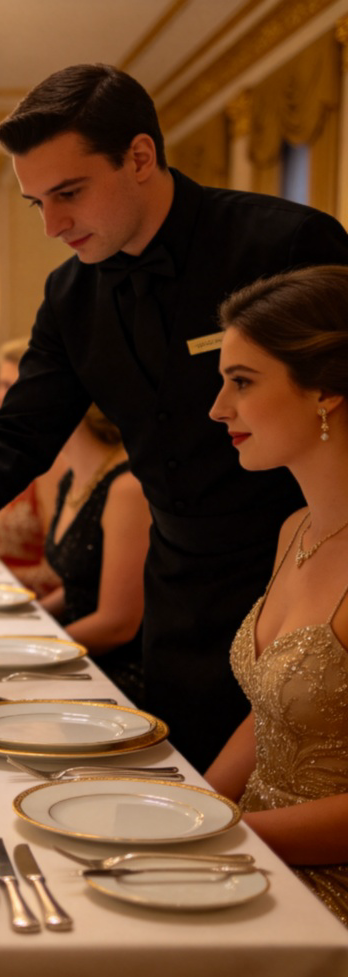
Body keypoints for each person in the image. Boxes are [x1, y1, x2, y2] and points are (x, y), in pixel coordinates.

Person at [0, 63, 348, 771]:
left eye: (69, 193)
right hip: (174, 599)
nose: (53, 225)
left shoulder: (281, 244)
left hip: (304, 585)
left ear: (140, 157)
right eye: (35, 203)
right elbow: (22, 425)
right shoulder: (69, 295)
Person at [205, 265, 348, 925]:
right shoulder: (297, 530)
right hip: (252, 854)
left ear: (325, 389)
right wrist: (197, 804)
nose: (218, 410)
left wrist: (217, 835)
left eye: (242, 382)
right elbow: (274, 711)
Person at [42, 405, 150, 703]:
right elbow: (81, 582)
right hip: (75, 651)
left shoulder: (127, 487)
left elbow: (116, 625)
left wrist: (37, 645)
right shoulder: (74, 478)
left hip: (114, 673)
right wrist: (36, 616)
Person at [0, 341, 64, 597]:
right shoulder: (14, 447)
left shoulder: (57, 463)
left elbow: (57, 573)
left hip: (30, 601)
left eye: (6, 385)